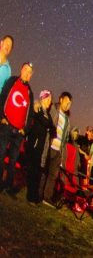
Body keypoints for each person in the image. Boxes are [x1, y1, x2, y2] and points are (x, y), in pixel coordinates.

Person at [0, 62, 34, 194]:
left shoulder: (30, 91)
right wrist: (1, 116)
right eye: (25, 69)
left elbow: (30, 113)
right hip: (7, 125)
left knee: (13, 160)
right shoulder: (12, 81)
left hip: (19, 132)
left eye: (30, 72)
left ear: (31, 75)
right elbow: (3, 96)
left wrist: (25, 130)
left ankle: (8, 185)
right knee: (1, 154)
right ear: (21, 69)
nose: (27, 73)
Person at [42, 91, 73, 206]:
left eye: (70, 103)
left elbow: (65, 137)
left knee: (53, 176)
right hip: (49, 145)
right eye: (66, 102)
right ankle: (38, 194)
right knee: (44, 171)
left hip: (58, 150)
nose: (68, 105)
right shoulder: (53, 109)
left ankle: (47, 197)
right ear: (61, 100)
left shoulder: (67, 118)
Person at [25, 89, 54, 204]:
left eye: (50, 100)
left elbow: (52, 128)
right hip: (36, 143)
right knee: (33, 170)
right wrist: (49, 126)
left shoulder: (48, 114)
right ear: (42, 98)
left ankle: (34, 195)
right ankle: (31, 196)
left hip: (43, 146)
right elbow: (45, 123)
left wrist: (49, 127)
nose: (49, 102)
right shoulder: (38, 108)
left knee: (38, 171)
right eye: (48, 99)